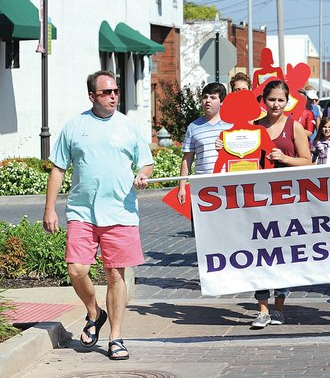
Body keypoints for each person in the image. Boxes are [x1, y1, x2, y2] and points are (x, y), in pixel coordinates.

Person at [43, 70, 153, 361]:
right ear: (92, 96)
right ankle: (94, 312)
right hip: (82, 212)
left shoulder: (128, 127)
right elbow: (58, 169)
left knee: (116, 274)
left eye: (116, 91)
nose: (113, 96)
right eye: (106, 92)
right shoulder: (75, 126)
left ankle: (116, 337)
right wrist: (49, 208)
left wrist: (142, 175)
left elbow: (146, 163)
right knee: (76, 270)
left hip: (121, 212)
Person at [250, 79, 312, 328]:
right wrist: (225, 146)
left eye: (280, 100)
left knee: (282, 253)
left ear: (287, 102)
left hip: (286, 199)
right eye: (272, 99)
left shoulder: (294, 126)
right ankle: (262, 308)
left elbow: (307, 160)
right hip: (257, 199)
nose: (276, 104)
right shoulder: (253, 127)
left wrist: (285, 158)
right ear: (263, 101)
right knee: (259, 252)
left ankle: (278, 307)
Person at [178, 83, 231, 207]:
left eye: (213, 97)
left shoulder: (231, 125)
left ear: (221, 101)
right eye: (205, 97)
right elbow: (187, 158)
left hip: (228, 184)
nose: (208, 101)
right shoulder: (193, 127)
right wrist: (182, 186)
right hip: (202, 186)